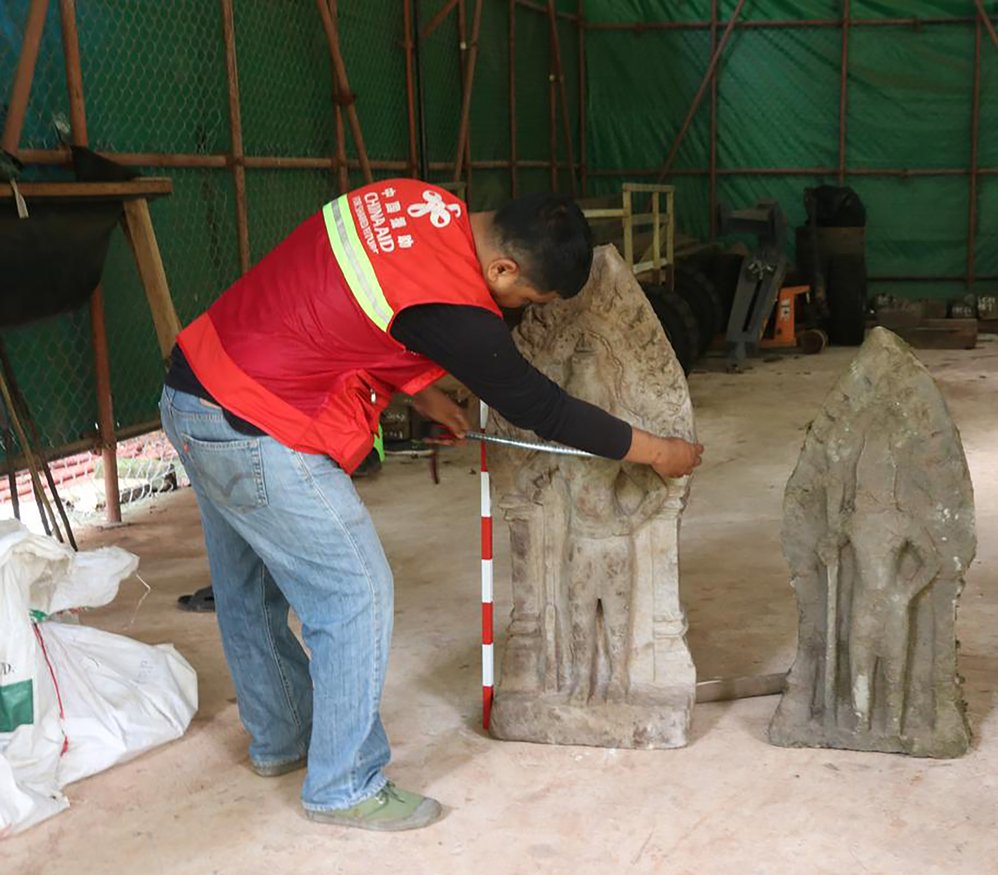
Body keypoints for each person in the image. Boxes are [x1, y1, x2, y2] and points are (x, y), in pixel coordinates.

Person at [159, 179, 703, 832]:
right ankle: (343, 785)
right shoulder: (461, 312)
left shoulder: (419, 202)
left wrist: (419, 395)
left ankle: (282, 740)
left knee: (247, 589)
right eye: (528, 298)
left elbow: (355, 300)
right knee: (355, 592)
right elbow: (539, 406)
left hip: (195, 390)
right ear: (504, 268)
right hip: (257, 424)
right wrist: (654, 451)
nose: (523, 312)